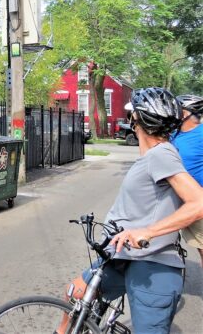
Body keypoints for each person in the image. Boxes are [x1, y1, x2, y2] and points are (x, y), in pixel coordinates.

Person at [62, 87, 203, 334]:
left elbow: (199, 202)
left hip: (152, 267)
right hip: (122, 258)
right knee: (75, 293)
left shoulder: (162, 154)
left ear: (136, 120)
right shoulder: (154, 156)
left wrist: (147, 231)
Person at [172, 94, 203, 266]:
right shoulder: (174, 134)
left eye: (176, 110)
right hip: (176, 200)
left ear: (185, 113)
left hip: (198, 202)